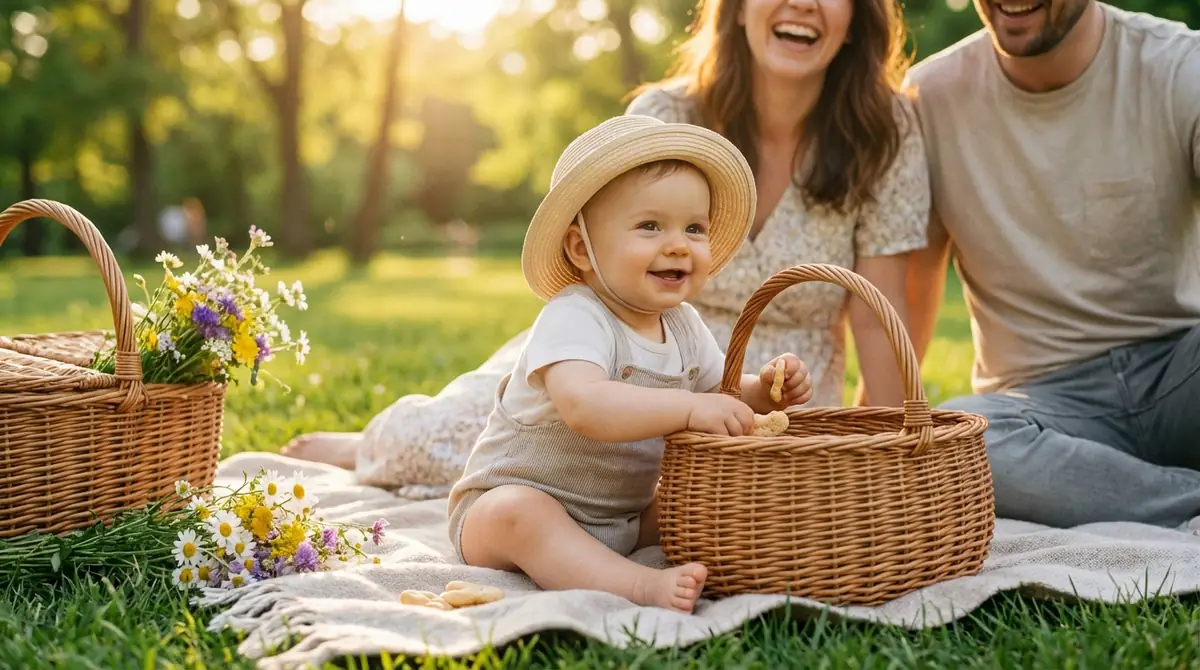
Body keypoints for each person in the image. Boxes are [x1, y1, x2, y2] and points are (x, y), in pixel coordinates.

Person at [281, 0, 931, 499]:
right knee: (457, 448)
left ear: (858, 19)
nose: (802, 3)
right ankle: (367, 446)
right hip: (619, 346)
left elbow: (877, 314)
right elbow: (598, 275)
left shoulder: (884, 130)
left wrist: (887, 445)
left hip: (767, 379)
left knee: (698, 491)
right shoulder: (668, 115)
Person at [448, 115, 814, 613]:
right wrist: (687, 409)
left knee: (695, 499)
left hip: (624, 518)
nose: (677, 244)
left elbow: (720, 395)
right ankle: (638, 586)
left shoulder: (684, 324)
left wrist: (764, 388)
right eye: (649, 226)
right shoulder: (574, 314)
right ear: (582, 249)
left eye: (694, 227)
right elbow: (585, 405)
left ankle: (742, 559)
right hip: (506, 514)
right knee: (522, 513)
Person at [903, 1, 1200, 529]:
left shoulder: (1178, 65)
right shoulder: (929, 98)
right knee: (967, 438)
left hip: (1180, 373)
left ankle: (1106, 491)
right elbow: (909, 292)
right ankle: (1183, 499)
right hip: (1042, 405)